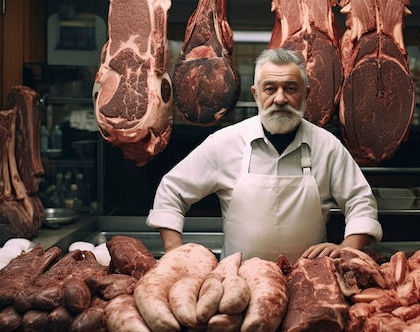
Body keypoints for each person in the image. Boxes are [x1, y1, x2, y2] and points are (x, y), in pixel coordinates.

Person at [147, 48, 382, 263]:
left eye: (291, 88)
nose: (280, 99)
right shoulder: (225, 143)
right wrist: (175, 253)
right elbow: (172, 191)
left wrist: (349, 246)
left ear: (306, 93)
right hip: (239, 283)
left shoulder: (327, 146)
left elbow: (359, 200)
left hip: (309, 282)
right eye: (270, 88)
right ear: (256, 94)